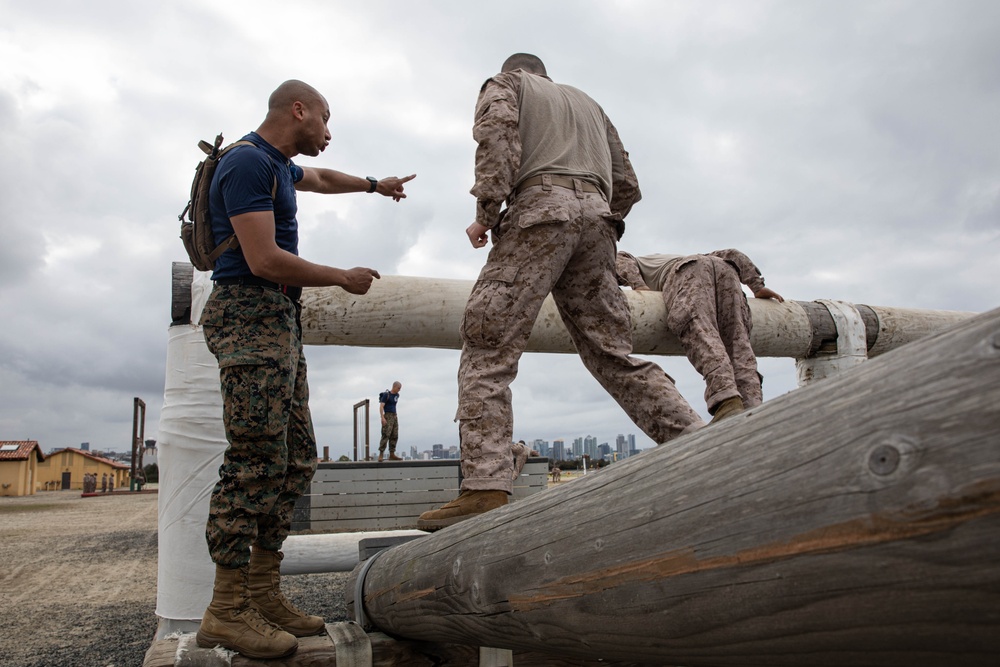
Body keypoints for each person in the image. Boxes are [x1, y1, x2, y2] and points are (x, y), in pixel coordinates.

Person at [417, 54, 704, 531]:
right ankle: (696, 442)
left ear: (519, 71)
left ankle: (485, 487)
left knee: (489, 345)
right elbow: (628, 183)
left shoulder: (506, 83)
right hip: (598, 219)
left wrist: (487, 213)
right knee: (612, 350)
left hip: (539, 212)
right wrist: (595, 208)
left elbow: (497, 137)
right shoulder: (589, 104)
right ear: (547, 74)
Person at [196, 79, 414, 659]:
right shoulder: (244, 163)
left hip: (277, 323)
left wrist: (374, 184)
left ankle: (263, 593)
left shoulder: (276, 165)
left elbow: (321, 178)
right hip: (249, 317)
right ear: (300, 110)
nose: (328, 129)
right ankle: (224, 610)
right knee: (252, 461)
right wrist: (342, 276)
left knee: (293, 459)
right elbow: (263, 259)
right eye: (325, 117)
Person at [615, 249, 784, 423]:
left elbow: (621, 258)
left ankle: (726, 399)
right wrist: (757, 286)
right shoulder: (684, 256)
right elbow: (733, 254)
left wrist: (638, 286)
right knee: (737, 340)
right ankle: (752, 405)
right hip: (725, 270)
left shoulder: (638, 261)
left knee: (701, 332)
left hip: (687, 274)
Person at [377, 381, 402, 462]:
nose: (399, 390)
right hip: (388, 415)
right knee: (386, 434)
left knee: (394, 434)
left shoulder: (397, 395)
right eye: (398, 388)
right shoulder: (386, 395)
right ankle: (381, 453)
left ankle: (392, 453)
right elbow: (381, 406)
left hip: (394, 415)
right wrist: (382, 417)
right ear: (394, 387)